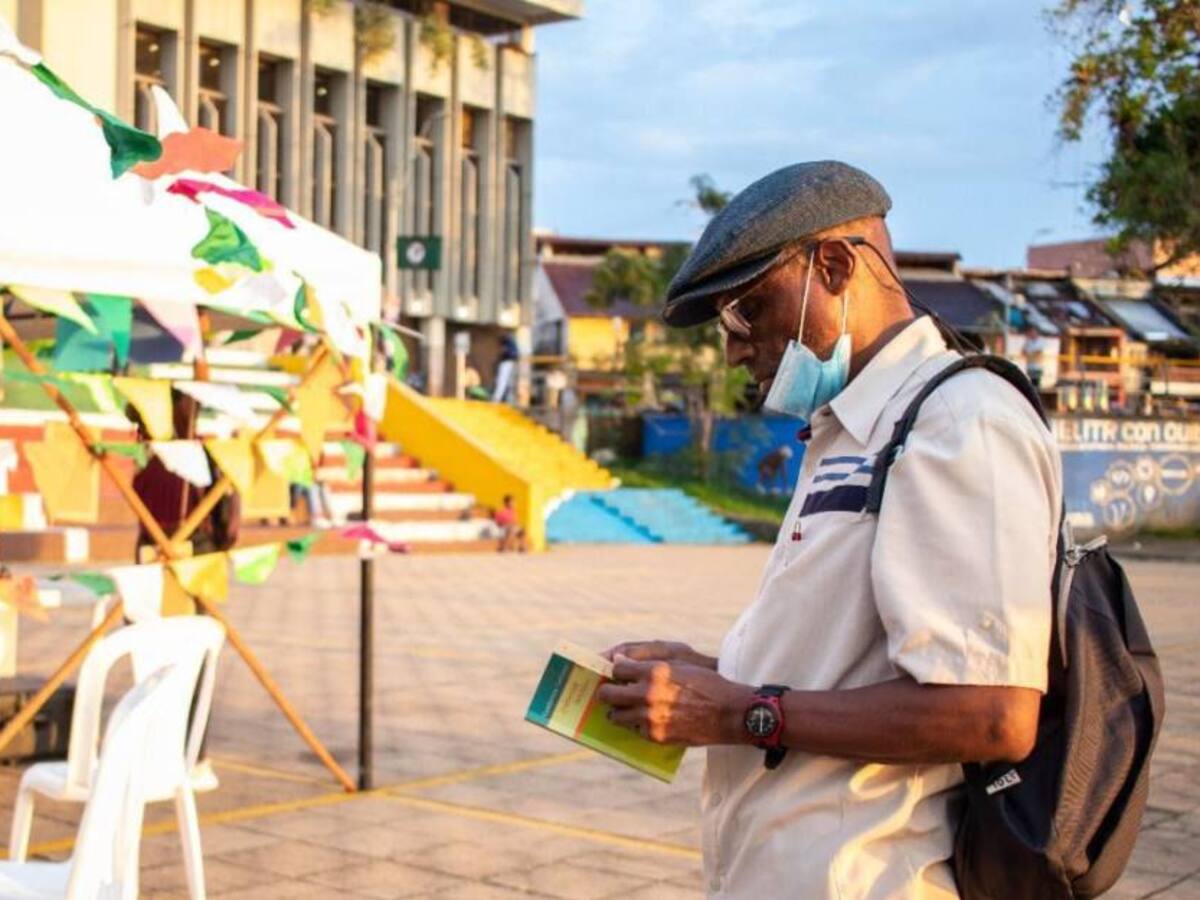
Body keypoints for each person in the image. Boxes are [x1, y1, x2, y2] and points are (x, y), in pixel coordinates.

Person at [598, 161, 1062, 899]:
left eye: (748, 310)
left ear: (837, 267)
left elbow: (990, 713)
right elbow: (851, 664)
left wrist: (738, 711)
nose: (735, 347)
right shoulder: (852, 427)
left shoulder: (960, 421)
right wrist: (714, 675)